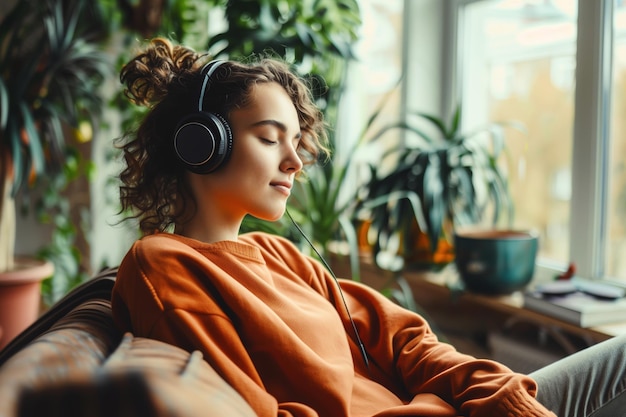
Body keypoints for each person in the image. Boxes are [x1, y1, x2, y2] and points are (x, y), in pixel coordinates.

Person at [111, 37, 626, 417]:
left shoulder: (282, 255)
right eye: (270, 138)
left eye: (296, 141)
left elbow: (405, 340)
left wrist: (494, 394)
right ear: (203, 143)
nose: (295, 160)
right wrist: (430, 406)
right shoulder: (165, 266)